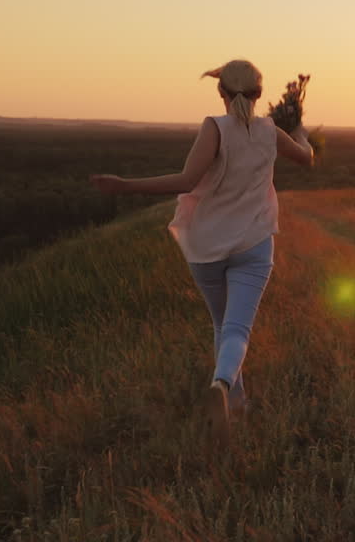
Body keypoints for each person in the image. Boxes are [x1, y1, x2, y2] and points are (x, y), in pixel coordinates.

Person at [90, 59, 314, 442]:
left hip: (207, 246)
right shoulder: (270, 131)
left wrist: (124, 185)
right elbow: (307, 158)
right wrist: (302, 132)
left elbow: (186, 180)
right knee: (237, 327)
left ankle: (235, 401)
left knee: (221, 323)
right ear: (260, 95)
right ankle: (224, 386)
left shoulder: (215, 128)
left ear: (220, 92)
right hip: (255, 243)